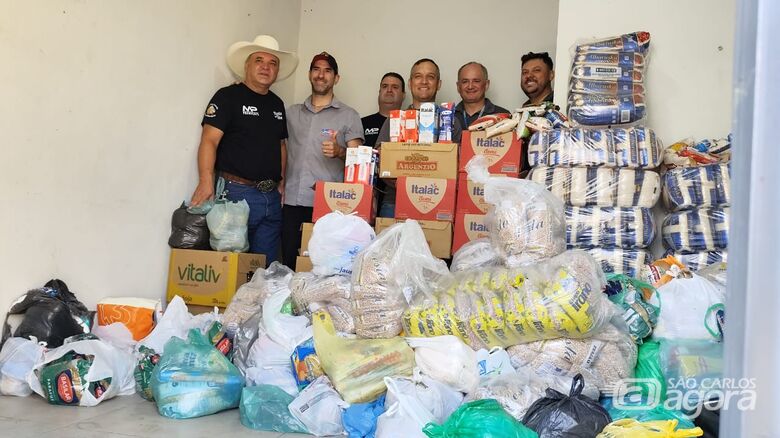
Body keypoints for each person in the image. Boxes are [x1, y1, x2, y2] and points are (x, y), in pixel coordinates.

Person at [190, 34, 298, 264]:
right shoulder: (228, 97)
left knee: (264, 269)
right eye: (259, 60)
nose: (266, 67)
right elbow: (209, 140)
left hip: (270, 198)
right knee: (231, 266)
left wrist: (281, 184)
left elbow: (280, 145)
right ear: (247, 65)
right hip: (236, 195)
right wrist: (205, 180)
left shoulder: (277, 104)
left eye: (273, 63)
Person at [282, 51, 364, 269]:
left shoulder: (349, 115)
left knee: (322, 268)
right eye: (316, 69)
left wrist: (340, 151)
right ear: (309, 75)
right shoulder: (291, 113)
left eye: (327, 71)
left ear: (336, 78)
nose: (321, 75)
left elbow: (360, 162)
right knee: (289, 264)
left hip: (329, 207)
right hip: (291, 202)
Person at [374, 58, 462, 217]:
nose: (424, 81)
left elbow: (458, 165)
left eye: (430, 77)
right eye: (418, 76)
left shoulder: (450, 121)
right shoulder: (394, 119)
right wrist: (400, 180)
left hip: (437, 200)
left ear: (439, 84)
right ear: (410, 83)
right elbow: (379, 159)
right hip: (394, 200)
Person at [454, 62, 509, 130]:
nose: (470, 86)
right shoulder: (447, 116)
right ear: (458, 86)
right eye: (465, 81)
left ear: (486, 85)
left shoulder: (503, 116)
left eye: (476, 81)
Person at [361, 72, 405, 147]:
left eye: (395, 87)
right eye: (385, 86)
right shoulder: (362, 123)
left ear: (403, 95)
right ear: (379, 92)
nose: (389, 90)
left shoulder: (409, 123)